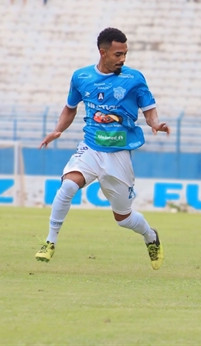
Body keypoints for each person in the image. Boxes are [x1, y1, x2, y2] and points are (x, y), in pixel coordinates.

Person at [34, 27, 170, 270]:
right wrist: (59, 130)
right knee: (67, 185)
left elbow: (149, 111)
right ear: (103, 52)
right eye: (118, 54)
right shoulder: (81, 77)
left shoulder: (134, 79)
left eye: (125, 54)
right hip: (91, 146)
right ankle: (49, 242)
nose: (123, 59)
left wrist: (156, 124)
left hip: (119, 153)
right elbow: (70, 108)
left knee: (123, 218)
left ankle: (150, 236)